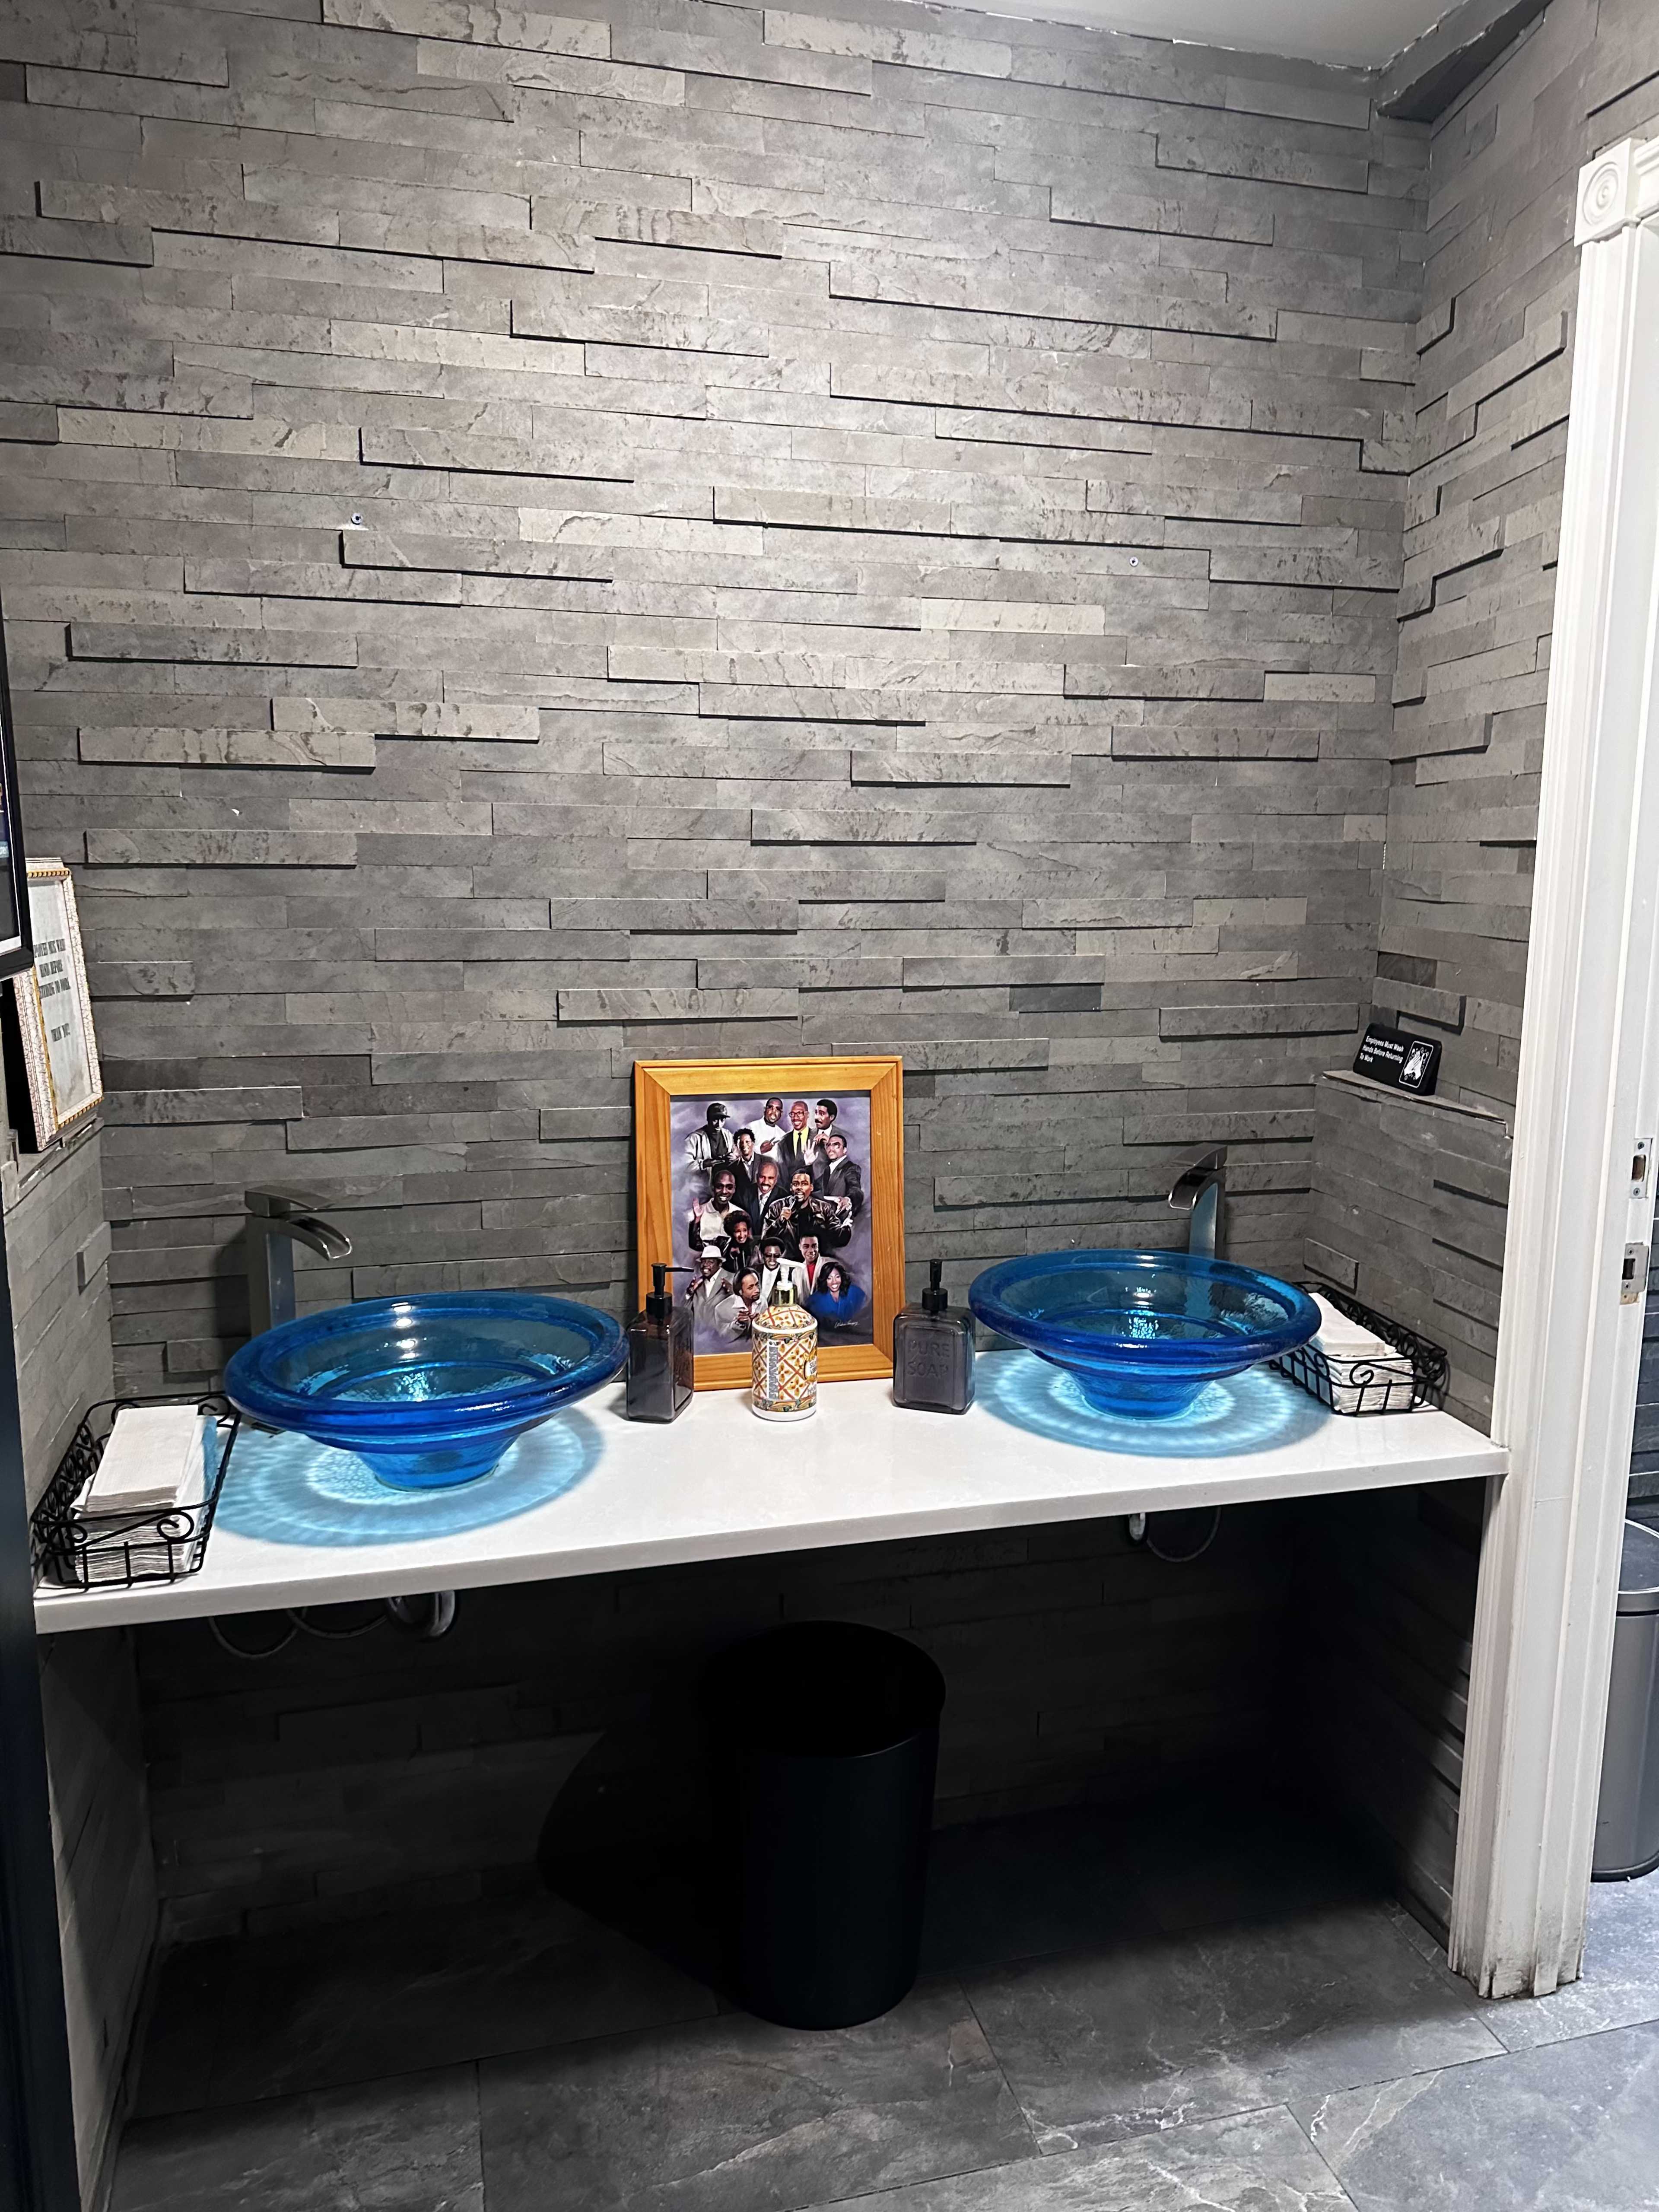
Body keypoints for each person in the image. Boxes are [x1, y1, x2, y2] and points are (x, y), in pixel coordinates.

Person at [771, 1166, 848, 1254]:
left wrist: (845, 1229)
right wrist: (780, 1221)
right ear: (791, 1188)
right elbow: (766, 1238)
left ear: (811, 1188)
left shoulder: (824, 1208)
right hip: (787, 1261)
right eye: (796, 1184)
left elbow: (838, 1238)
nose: (799, 1188)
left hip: (816, 1260)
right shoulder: (777, 1207)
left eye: (804, 1184)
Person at [686, 1166, 743, 1258]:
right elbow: (692, 1247)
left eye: (729, 1187)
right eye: (720, 1187)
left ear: (734, 1189)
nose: (724, 1192)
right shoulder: (695, 1215)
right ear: (713, 1187)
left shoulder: (741, 1214)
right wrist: (698, 1219)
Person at [817, 1128, 863, 1223]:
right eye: (829, 1145)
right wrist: (809, 1164)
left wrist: (848, 1200)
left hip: (839, 1223)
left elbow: (856, 1189)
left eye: (836, 1145)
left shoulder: (851, 1168)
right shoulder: (827, 1170)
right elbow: (814, 1189)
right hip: (822, 1222)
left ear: (845, 1150)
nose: (831, 1148)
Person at [806, 1260, 867, 1332]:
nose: (834, 1282)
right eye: (829, 1278)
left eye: (837, 1277)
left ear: (842, 1277)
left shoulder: (855, 1292)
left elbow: (865, 1312)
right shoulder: (815, 1301)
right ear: (824, 1280)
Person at [686, 1249, 731, 1332]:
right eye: (703, 1262)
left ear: (720, 1264)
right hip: (700, 1337)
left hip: (722, 1338)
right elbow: (686, 1312)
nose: (705, 1265)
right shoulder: (697, 1284)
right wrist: (690, 1293)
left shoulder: (732, 1279)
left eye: (710, 1262)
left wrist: (733, 1292)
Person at [714, 1268, 763, 1341]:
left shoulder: (762, 1301)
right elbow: (722, 1339)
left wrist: (758, 1323)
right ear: (740, 1292)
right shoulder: (721, 1309)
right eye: (751, 1288)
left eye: (757, 1284)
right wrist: (738, 1324)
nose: (757, 1290)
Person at [685, 1101, 734, 1173]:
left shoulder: (728, 1135)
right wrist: (704, 1164)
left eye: (722, 1120)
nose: (719, 1124)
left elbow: (738, 1154)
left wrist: (734, 1157)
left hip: (725, 1180)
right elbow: (684, 1166)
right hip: (703, 1182)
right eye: (715, 1120)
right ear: (708, 1119)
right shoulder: (694, 1138)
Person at [757, 1236, 805, 1307]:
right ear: (762, 1255)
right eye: (768, 1255)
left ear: (782, 1256)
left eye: (777, 1256)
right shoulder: (754, 1272)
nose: (772, 1259)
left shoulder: (790, 1275)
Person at [779, 1099, 817, 1180]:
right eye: (792, 1114)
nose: (796, 1118)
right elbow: (783, 1172)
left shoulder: (817, 1138)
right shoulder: (783, 1142)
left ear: (807, 1115)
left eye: (800, 1113)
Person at [730, 1127, 761, 1216]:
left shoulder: (766, 1163)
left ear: (753, 1143)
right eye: (741, 1143)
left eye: (747, 1142)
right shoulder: (732, 1168)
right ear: (737, 1146)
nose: (744, 1145)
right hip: (742, 1213)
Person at [747, 1096, 787, 1163]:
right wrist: (760, 1150)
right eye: (771, 1107)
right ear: (765, 1110)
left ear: (781, 1113)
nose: (774, 1111)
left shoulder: (783, 1135)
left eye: (778, 1109)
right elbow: (740, 1153)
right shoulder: (752, 1127)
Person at [795, 1232, 829, 1299]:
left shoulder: (829, 1265)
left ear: (818, 1246)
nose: (811, 1250)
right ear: (800, 1247)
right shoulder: (796, 1272)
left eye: (814, 1246)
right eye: (806, 1247)